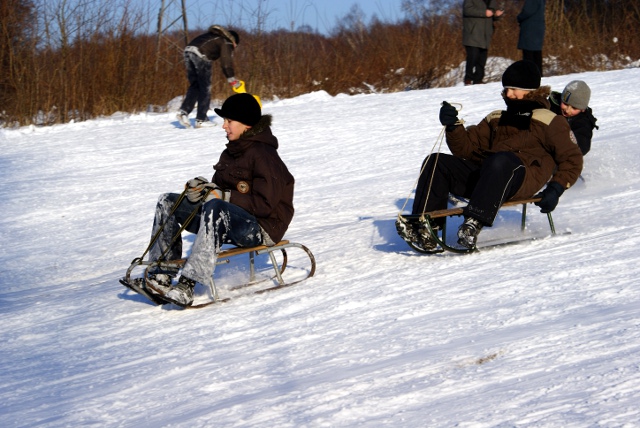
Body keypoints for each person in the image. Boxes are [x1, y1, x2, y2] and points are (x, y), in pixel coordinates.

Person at [127, 93, 295, 307]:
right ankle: (161, 276)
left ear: (246, 124)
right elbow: (220, 191)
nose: (224, 126)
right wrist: (202, 190)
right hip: (230, 218)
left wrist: (222, 197)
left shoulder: (264, 156)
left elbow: (265, 204)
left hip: (262, 227)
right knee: (168, 201)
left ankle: (187, 285)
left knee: (215, 207)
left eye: (229, 121)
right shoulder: (231, 152)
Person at [398, 60, 583, 250]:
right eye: (506, 89)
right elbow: (466, 149)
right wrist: (453, 126)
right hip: (488, 177)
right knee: (436, 161)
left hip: (521, 180)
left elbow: (572, 160)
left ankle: (474, 223)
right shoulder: (496, 118)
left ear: (530, 90)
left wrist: (556, 188)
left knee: (502, 160)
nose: (508, 94)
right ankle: (425, 228)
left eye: (514, 89)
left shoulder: (551, 121)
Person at [176, 25, 244, 129]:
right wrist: (231, 79)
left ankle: (183, 112)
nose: (233, 49)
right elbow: (226, 62)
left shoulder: (212, 36)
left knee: (195, 86)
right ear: (234, 41)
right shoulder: (226, 41)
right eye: (234, 47)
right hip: (200, 55)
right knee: (205, 87)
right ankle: (201, 119)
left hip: (188, 52)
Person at [549, 80, 598, 155]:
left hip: (561, 154)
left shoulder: (583, 121)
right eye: (565, 104)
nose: (567, 110)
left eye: (574, 108)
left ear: (582, 109)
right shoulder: (549, 106)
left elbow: (582, 143)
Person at [462, 0, 504, 85]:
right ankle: (468, 79)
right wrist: (483, 13)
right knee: (473, 57)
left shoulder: (492, 1)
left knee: (482, 59)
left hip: (486, 34)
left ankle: (478, 79)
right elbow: (467, 10)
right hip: (472, 32)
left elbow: (492, 15)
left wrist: (497, 15)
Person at [517, 0, 546, 76]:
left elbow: (527, 11)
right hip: (538, 29)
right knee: (536, 53)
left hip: (530, 29)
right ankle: (538, 74)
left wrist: (519, 17)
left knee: (529, 54)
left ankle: (529, 75)